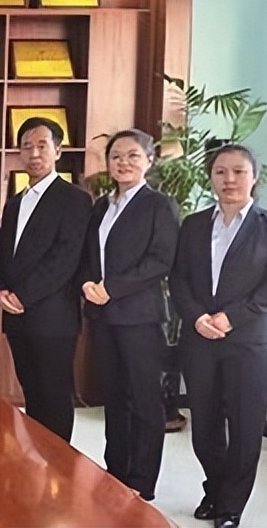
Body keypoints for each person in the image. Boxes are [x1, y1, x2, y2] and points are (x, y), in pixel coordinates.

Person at [169, 144, 267, 528]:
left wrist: (230, 318)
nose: (229, 179)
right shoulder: (193, 224)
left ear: (254, 177)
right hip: (200, 340)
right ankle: (215, 488)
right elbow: (179, 279)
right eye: (220, 171)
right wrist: (197, 317)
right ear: (211, 177)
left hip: (248, 344)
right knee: (204, 428)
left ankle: (231, 505)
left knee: (244, 428)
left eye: (238, 171)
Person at [77, 128, 178, 502]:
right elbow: (88, 254)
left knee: (145, 400)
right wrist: (88, 283)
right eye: (116, 156)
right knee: (115, 397)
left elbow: (160, 260)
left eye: (133, 155)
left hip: (140, 317)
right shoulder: (101, 206)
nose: (123, 162)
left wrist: (112, 288)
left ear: (149, 161)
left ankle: (142, 480)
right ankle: (116, 470)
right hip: (103, 317)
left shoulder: (159, 205)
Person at [0, 117, 91, 442]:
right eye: (27, 146)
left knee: (55, 395)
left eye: (42, 146)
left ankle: (58, 462)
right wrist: (0, 289)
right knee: (32, 392)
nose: (34, 154)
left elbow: (65, 258)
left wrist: (23, 295)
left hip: (53, 318)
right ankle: (37, 457)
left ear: (58, 151)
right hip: (17, 318)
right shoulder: (14, 203)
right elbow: (1, 253)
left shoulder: (74, 198)